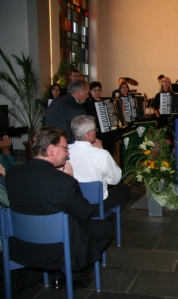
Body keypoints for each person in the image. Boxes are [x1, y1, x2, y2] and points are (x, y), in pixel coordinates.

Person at [5, 127, 114, 289]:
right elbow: (84, 213)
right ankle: (75, 275)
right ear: (50, 149)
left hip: (21, 246)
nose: (68, 153)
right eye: (65, 148)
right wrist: (71, 180)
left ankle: (57, 275)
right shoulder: (64, 182)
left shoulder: (13, 174)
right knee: (105, 228)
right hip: (55, 249)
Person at [68, 115, 130, 216]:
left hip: (73, 203)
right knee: (124, 189)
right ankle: (106, 217)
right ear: (89, 134)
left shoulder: (66, 151)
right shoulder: (102, 154)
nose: (96, 132)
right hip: (96, 205)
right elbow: (115, 179)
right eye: (95, 130)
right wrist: (100, 151)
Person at [81, 81, 116, 156]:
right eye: (95, 90)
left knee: (109, 152)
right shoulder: (86, 103)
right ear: (90, 91)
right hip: (97, 133)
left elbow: (112, 115)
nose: (97, 92)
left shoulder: (107, 101)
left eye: (98, 90)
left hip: (108, 133)